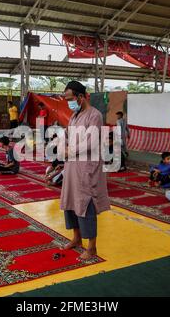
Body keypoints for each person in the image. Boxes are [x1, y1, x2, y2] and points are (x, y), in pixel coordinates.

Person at [60, 80, 110, 261]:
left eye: (70, 99)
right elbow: (67, 136)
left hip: (87, 168)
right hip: (72, 166)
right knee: (71, 202)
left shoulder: (94, 115)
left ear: (81, 97)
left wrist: (69, 150)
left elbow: (90, 142)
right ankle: (77, 238)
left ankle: (92, 247)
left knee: (85, 204)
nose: (68, 103)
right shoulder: (74, 117)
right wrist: (62, 146)